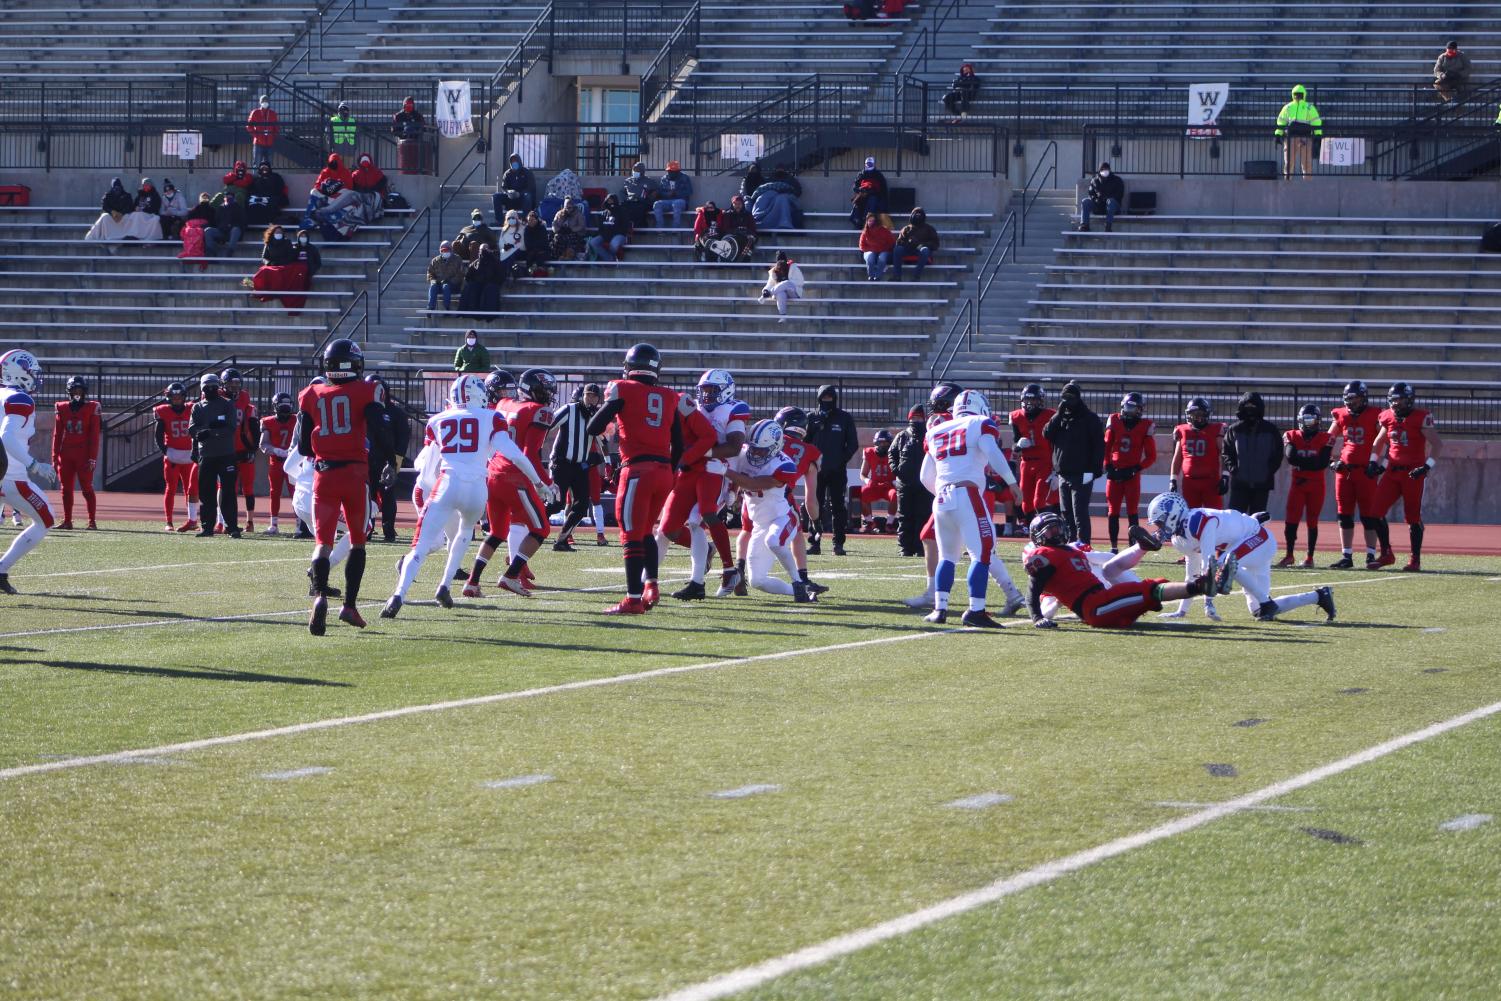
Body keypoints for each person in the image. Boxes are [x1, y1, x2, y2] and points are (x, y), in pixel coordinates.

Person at [383, 375, 541, 618]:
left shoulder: (438, 420)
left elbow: (425, 468)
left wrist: (429, 494)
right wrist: (538, 481)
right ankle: (445, 585)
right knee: (464, 533)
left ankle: (398, 594)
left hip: (447, 481)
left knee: (420, 546)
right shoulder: (492, 416)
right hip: (478, 487)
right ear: (479, 394)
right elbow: (515, 454)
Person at [297, 339, 394, 634]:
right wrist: (390, 460)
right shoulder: (366, 389)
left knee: (322, 544)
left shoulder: (311, 393)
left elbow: (303, 446)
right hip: (354, 474)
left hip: (323, 474)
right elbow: (379, 428)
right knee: (357, 541)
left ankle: (320, 596)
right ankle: (350, 606)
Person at [586, 343, 681, 614]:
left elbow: (594, 427)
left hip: (637, 469)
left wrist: (616, 414)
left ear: (628, 367)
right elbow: (679, 444)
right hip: (664, 472)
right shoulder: (670, 396)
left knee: (629, 533)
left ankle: (633, 598)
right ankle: (651, 584)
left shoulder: (622, 389)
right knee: (645, 530)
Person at [1148, 492, 1337, 623]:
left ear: (1173, 515)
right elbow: (1193, 575)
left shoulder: (1198, 521)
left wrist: (1209, 602)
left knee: (1225, 562)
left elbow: (1209, 565)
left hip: (1258, 538)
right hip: (1244, 547)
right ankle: (1319, 596)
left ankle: (1265, 601)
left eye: (1160, 521)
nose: (1159, 527)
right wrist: (1182, 611)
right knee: (1258, 610)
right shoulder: (1179, 538)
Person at [919, 390, 1024, 627]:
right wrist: (1011, 482)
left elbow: (925, 476)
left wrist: (945, 492)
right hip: (967, 492)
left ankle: (940, 608)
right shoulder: (979, 423)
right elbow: (992, 452)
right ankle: (976, 610)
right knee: (982, 552)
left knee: (947, 556)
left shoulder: (935, 430)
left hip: (942, 499)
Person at [1025, 512, 1216, 630]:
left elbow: (1108, 560)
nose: (1057, 534)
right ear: (1039, 537)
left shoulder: (1073, 551)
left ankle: (1202, 585)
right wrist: (1037, 617)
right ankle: (1202, 585)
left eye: (1058, 529)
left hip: (1102, 599)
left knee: (1150, 588)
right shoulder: (1043, 554)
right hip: (1096, 606)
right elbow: (1033, 590)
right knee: (1150, 588)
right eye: (1051, 531)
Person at [464, 369, 559, 598]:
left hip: (493, 472)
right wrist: (545, 482)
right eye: (544, 391)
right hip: (514, 475)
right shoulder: (540, 411)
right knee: (541, 528)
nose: (548, 396)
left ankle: (472, 582)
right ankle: (511, 575)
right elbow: (530, 454)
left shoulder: (504, 403)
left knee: (497, 532)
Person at [658, 369, 748, 600]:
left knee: (701, 517)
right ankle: (716, 572)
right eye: (704, 390)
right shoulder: (693, 407)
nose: (706, 395)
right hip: (693, 469)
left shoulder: (733, 409)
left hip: (718, 470)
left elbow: (734, 447)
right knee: (673, 527)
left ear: (726, 390)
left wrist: (699, 452)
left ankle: (717, 574)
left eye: (712, 390)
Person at [725, 420, 817, 603]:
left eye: (761, 449)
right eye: (754, 448)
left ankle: (798, 581)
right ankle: (799, 592)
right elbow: (740, 475)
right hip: (760, 524)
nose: (755, 452)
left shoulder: (784, 465)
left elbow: (753, 483)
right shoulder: (744, 453)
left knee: (774, 541)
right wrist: (732, 492)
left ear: (775, 447)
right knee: (757, 581)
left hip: (782, 518)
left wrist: (723, 470)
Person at [1369, 382, 1443, 572]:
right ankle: (1387, 554)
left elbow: (1437, 445)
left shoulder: (1421, 417)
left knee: (1412, 517)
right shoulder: (1387, 417)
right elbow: (1380, 442)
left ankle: (1415, 559)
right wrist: (1374, 462)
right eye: (1393, 400)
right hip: (1393, 471)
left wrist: (1426, 467)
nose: (1396, 403)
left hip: (1412, 473)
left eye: (1400, 400)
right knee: (1375, 512)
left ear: (1409, 400)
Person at [0, 349, 57, 595]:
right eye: (32, 372)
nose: (35, 377)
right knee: (46, 519)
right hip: (11, 477)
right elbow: (7, 436)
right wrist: (34, 465)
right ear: (18, 372)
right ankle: (1, 569)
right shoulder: (20, 399)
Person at [1327, 380, 1386, 569]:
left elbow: (1389, 442)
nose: (1351, 403)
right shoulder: (1341, 415)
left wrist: (1381, 465)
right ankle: (1347, 555)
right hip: (1344, 471)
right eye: (1348, 399)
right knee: (1344, 515)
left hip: (1366, 472)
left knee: (1369, 516)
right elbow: (1328, 440)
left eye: (1354, 398)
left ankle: (1370, 554)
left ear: (1363, 398)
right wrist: (1331, 462)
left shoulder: (1375, 415)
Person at [1043, 382, 1104, 545]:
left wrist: (1094, 471)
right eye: (1065, 398)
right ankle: (1070, 543)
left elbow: (1099, 446)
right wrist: (1058, 413)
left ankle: (1084, 544)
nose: (1067, 401)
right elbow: (1047, 434)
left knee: (1080, 512)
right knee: (1066, 512)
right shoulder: (1060, 417)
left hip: (1083, 473)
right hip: (1064, 472)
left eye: (1070, 398)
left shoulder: (1090, 419)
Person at [548, 384, 603, 551]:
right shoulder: (569, 409)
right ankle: (529, 528)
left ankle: (562, 540)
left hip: (581, 467)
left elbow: (602, 442)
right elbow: (548, 424)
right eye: (588, 395)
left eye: (594, 396)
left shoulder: (595, 416)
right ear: (582, 396)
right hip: (562, 464)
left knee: (581, 505)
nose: (591, 399)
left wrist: (605, 460)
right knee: (556, 504)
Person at [187, 372, 241, 539]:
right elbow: (192, 429)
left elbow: (231, 427)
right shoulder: (197, 407)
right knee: (206, 492)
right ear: (202, 388)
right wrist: (198, 436)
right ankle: (207, 527)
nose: (210, 389)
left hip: (225, 454)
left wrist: (210, 432)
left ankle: (232, 526)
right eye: (207, 387)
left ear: (218, 387)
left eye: (213, 386)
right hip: (207, 455)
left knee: (228, 492)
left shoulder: (227, 404)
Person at [807, 384, 858, 555]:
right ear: (819, 399)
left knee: (838, 507)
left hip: (837, 470)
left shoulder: (844, 418)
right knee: (815, 506)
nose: (827, 401)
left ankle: (838, 544)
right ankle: (814, 543)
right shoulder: (811, 418)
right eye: (824, 398)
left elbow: (852, 444)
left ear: (835, 399)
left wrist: (840, 460)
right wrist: (811, 462)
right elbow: (803, 443)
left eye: (830, 398)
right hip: (816, 471)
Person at [1279, 404, 1331, 568]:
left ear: (1318, 421)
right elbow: (1291, 458)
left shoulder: (1325, 437)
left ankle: (1309, 557)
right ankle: (1289, 555)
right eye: (1306, 420)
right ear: (1300, 421)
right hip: (1298, 485)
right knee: (1291, 519)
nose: (1309, 424)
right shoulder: (1291, 435)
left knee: (1312, 521)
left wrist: (1303, 465)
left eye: (1312, 420)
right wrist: (1310, 463)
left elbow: (1321, 463)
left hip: (1315, 485)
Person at [1103, 391, 1155, 553]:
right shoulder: (1114, 420)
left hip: (1132, 475)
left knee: (1132, 511)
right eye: (1128, 407)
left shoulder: (1145, 425)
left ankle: (1132, 548)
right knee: (1113, 511)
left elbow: (1151, 456)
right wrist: (1108, 466)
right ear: (1123, 407)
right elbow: (1106, 446)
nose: (1131, 411)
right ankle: (1114, 547)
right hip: (1116, 473)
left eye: (1135, 408)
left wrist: (1136, 469)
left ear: (1140, 410)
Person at [51, 375, 101, 530]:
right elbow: (57, 434)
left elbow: (94, 436)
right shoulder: (62, 407)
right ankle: (67, 521)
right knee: (65, 489)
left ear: (84, 391)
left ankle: (92, 521)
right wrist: (54, 456)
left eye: (79, 390)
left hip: (83, 454)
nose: (77, 393)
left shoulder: (92, 407)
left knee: (87, 487)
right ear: (69, 392)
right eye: (74, 390)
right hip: (66, 454)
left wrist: (92, 457)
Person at [367, 376, 410, 544]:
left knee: (388, 495)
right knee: (367, 496)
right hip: (368, 460)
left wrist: (395, 463)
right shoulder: (364, 410)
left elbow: (403, 438)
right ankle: (367, 528)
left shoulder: (396, 413)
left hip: (388, 461)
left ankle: (389, 530)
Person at [1224, 391, 1282, 515]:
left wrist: (1268, 471)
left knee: (1257, 523)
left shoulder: (1271, 430)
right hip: (1239, 484)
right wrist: (1234, 470)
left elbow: (1278, 454)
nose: (1250, 410)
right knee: (1235, 520)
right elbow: (1227, 453)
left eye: (1253, 406)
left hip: (1262, 485)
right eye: (1247, 406)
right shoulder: (1234, 429)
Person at [1170, 397, 1226, 511]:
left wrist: (1225, 476)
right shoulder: (1182, 430)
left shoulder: (1216, 429)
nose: (1197, 417)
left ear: (1206, 414)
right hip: (1189, 481)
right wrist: (1173, 479)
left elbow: (1224, 454)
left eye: (1200, 414)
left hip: (1211, 481)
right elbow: (1177, 457)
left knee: (1215, 516)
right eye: (1194, 414)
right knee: (1189, 518)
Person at [1010, 383, 1057, 520]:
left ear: (1040, 401)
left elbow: (1057, 442)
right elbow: (1015, 444)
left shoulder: (1051, 415)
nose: (1030, 403)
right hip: (1026, 463)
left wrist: (1056, 470)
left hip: (1045, 463)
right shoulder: (1016, 416)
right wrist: (1018, 445)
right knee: (1026, 505)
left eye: (1034, 400)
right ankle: (1034, 530)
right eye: (1028, 400)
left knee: (1039, 501)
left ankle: (1050, 526)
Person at [154, 382, 197, 531]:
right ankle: (169, 521)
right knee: (170, 488)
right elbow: (158, 434)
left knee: (190, 489)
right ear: (169, 397)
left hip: (189, 454)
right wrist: (165, 451)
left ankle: (192, 520)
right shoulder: (163, 411)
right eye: (174, 397)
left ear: (184, 397)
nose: (177, 399)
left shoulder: (192, 408)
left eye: (179, 397)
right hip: (172, 455)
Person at [221, 368, 259, 532]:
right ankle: (224, 521)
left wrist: (252, 447)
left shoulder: (245, 399)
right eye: (231, 383)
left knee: (248, 487)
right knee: (227, 488)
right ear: (224, 384)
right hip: (225, 449)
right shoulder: (217, 398)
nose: (234, 386)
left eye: (237, 383)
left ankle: (250, 522)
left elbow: (251, 425)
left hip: (243, 447)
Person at [891, 404, 931, 557]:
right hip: (905, 484)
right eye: (914, 417)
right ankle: (905, 548)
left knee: (923, 515)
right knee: (904, 516)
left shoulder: (929, 435)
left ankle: (921, 547)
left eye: (919, 417)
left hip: (924, 484)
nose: (916, 420)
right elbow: (891, 454)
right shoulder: (902, 436)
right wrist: (897, 470)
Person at [259, 392, 297, 534]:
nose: (286, 409)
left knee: (296, 492)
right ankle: (273, 524)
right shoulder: (268, 422)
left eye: (287, 406)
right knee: (275, 493)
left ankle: (299, 524)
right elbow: (263, 444)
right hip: (276, 462)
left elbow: (302, 439)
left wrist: (293, 451)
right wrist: (277, 450)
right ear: (276, 406)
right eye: (283, 406)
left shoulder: (296, 419)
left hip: (293, 462)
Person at [1275, 84, 1323, 180]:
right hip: (1299, 138)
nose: (1298, 96)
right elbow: (1281, 121)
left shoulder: (1289, 107)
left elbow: (1316, 122)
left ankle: (1301, 184)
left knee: (1296, 163)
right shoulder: (1308, 107)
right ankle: (1293, 183)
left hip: (1296, 138)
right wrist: (1278, 133)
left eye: (1299, 94)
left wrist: (1278, 134)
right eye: (1297, 94)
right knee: (1296, 163)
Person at [859, 429, 897, 533]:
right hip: (874, 486)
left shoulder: (894, 453)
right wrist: (868, 481)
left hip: (888, 487)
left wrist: (893, 482)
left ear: (890, 443)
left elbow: (900, 473)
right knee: (861, 493)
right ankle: (870, 522)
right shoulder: (869, 452)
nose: (882, 445)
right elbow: (862, 474)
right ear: (876, 442)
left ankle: (889, 524)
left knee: (895, 495)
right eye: (880, 442)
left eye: (885, 443)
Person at [891, 207, 939, 281]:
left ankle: (916, 276)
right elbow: (899, 242)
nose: (917, 215)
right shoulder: (906, 228)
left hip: (920, 249)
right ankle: (897, 276)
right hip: (908, 249)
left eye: (919, 214)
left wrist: (922, 244)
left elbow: (935, 243)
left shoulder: (929, 228)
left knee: (925, 250)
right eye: (916, 213)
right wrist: (908, 243)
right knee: (897, 249)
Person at [1079, 162, 1124, 232]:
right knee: (1085, 201)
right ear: (1100, 171)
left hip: (1112, 207)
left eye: (1106, 169)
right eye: (1103, 169)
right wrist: (1096, 199)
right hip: (1099, 206)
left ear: (1109, 170)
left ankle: (1108, 226)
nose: (1105, 171)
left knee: (1111, 201)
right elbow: (1091, 193)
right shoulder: (1094, 180)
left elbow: (1119, 194)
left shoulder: (1117, 180)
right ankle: (1084, 225)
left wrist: (1107, 198)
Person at [759, 250, 804, 322]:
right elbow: (769, 284)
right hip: (780, 291)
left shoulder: (794, 268)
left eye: (783, 262)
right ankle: (783, 315)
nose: (781, 264)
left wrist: (788, 283)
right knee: (780, 293)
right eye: (779, 262)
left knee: (786, 283)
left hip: (793, 291)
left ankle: (767, 295)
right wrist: (765, 290)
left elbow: (801, 282)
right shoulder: (774, 271)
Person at [493, 153, 537, 222]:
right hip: (511, 199)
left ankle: (525, 220)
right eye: (512, 161)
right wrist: (508, 192)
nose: (514, 163)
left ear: (519, 161)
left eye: (516, 161)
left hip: (522, 200)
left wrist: (519, 193)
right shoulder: (507, 173)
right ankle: (499, 221)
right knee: (496, 196)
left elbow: (531, 188)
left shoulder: (527, 172)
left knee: (527, 195)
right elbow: (504, 187)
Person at [245, 161, 290, 227]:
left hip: (272, 197)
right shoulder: (256, 179)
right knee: (250, 203)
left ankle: (268, 222)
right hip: (257, 197)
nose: (264, 169)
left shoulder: (276, 177)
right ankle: (252, 223)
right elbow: (251, 190)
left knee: (271, 203)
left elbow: (280, 189)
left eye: (266, 167)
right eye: (262, 167)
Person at [587, 194, 631, 261]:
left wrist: (616, 232)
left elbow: (625, 226)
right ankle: (609, 258)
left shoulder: (622, 210)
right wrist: (604, 234)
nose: (610, 202)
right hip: (605, 235)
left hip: (619, 234)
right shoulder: (603, 212)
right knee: (593, 242)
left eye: (611, 200)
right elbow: (600, 227)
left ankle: (612, 258)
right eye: (608, 200)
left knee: (614, 245)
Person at [203, 191, 246, 258]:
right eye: (227, 197)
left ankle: (230, 251)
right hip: (222, 232)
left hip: (233, 233)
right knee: (208, 230)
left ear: (234, 198)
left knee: (236, 229)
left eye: (230, 197)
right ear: (224, 198)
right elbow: (215, 222)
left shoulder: (239, 208)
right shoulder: (220, 208)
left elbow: (243, 223)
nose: (228, 199)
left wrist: (231, 226)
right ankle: (211, 251)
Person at [850, 156, 888, 228]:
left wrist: (872, 191)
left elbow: (883, 189)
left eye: (870, 164)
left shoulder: (878, 175)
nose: (869, 165)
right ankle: (858, 220)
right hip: (862, 196)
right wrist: (860, 190)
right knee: (858, 202)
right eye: (868, 164)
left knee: (872, 200)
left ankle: (867, 219)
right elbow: (855, 186)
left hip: (874, 197)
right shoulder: (861, 174)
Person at [427, 241, 465, 312]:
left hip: (453, 286)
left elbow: (461, 274)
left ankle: (446, 307)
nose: (445, 252)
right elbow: (430, 273)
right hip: (439, 284)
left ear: (451, 250)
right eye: (443, 250)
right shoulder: (435, 261)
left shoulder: (457, 259)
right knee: (433, 287)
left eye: (447, 250)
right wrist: (433, 281)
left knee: (446, 286)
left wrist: (451, 281)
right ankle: (430, 307)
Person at [654, 161, 693, 229]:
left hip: (681, 201)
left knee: (676, 203)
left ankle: (675, 229)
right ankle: (660, 229)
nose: (671, 172)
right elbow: (660, 192)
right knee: (657, 204)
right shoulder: (664, 178)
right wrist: (667, 194)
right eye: (669, 171)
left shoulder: (685, 178)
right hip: (667, 201)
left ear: (678, 171)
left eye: (673, 171)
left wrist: (676, 193)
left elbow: (689, 191)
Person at [719, 194, 757, 261]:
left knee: (750, 240)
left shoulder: (748, 215)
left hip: (745, 236)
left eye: (739, 204)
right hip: (732, 236)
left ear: (742, 204)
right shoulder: (727, 214)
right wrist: (737, 230)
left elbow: (752, 228)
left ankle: (745, 262)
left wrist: (745, 231)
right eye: (735, 204)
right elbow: (725, 229)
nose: (737, 206)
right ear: (732, 204)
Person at [620, 162, 658, 229]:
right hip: (630, 201)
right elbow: (622, 192)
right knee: (621, 208)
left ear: (642, 171)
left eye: (637, 170)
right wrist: (626, 198)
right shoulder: (628, 181)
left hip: (643, 202)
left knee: (639, 209)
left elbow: (655, 192)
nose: (635, 171)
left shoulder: (650, 181)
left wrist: (650, 198)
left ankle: (639, 229)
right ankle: (626, 228)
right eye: (634, 170)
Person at [859, 213, 896, 281]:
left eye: (873, 221)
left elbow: (891, 243)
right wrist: (874, 249)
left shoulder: (885, 231)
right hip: (870, 251)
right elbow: (862, 246)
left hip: (883, 250)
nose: (871, 223)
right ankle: (871, 276)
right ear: (867, 222)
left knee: (882, 258)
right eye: (869, 221)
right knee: (870, 258)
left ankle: (878, 276)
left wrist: (882, 249)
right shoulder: (864, 232)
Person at [551, 195, 588, 261]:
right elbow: (554, 224)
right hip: (561, 234)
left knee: (571, 240)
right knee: (556, 238)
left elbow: (582, 225)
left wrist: (572, 229)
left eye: (570, 207)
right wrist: (558, 230)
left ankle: (568, 258)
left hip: (574, 234)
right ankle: (558, 257)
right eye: (566, 207)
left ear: (573, 206)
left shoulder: (578, 214)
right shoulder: (559, 213)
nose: (568, 209)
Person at [247, 95, 279, 166]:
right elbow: (249, 126)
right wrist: (256, 135)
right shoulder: (255, 112)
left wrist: (272, 136)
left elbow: (276, 127)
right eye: (263, 101)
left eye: (266, 101)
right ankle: (256, 177)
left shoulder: (273, 114)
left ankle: (268, 177)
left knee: (269, 165)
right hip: (258, 143)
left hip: (269, 143)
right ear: (260, 102)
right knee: (256, 164)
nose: (265, 103)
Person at [497, 208, 527, 280]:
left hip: (519, 250)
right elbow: (501, 242)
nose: (511, 219)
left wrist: (513, 246)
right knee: (503, 253)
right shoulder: (504, 229)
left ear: (516, 218)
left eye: (513, 217)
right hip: (506, 249)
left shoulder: (522, 228)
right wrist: (505, 246)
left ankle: (507, 273)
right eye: (509, 218)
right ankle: (506, 273)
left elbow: (523, 243)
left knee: (511, 254)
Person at [521, 210, 550, 275]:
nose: (530, 222)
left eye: (532, 220)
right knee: (529, 257)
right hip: (531, 251)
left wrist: (536, 249)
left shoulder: (542, 228)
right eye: (529, 220)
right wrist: (533, 249)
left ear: (537, 220)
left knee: (540, 258)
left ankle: (540, 276)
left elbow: (544, 241)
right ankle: (530, 274)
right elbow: (527, 242)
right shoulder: (527, 229)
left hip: (542, 250)